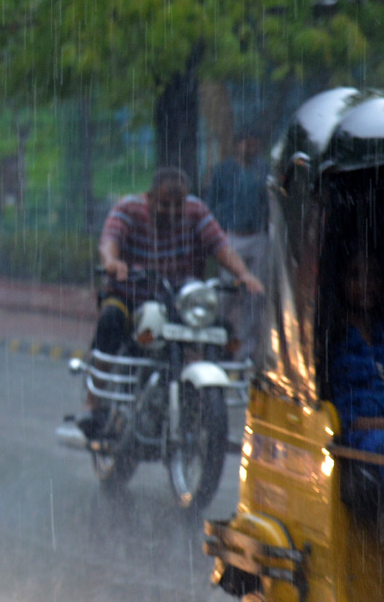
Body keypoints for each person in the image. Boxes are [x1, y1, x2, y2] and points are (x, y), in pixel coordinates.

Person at [78, 165, 265, 438]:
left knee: (222, 330)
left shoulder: (196, 211)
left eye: (179, 204)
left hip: (179, 301)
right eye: (165, 204)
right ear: (150, 198)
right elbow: (110, 239)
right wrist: (112, 261)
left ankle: (200, 398)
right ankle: (93, 401)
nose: (173, 211)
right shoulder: (128, 209)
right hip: (131, 296)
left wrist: (244, 274)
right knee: (111, 322)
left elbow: (220, 245)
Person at [329, 256, 384, 503]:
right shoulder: (336, 342)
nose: (366, 285)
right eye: (356, 276)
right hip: (364, 437)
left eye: (372, 277)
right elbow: (346, 421)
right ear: (341, 282)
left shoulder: (383, 331)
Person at [205, 131, 270, 359]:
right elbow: (211, 203)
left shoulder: (264, 171)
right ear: (237, 144)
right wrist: (215, 236)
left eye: (255, 143)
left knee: (255, 294)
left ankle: (246, 349)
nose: (250, 148)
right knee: (227, 292)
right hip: (231, 236)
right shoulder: (224, 171)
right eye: (246, 143)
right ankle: (218, 339)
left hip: (258, 236)